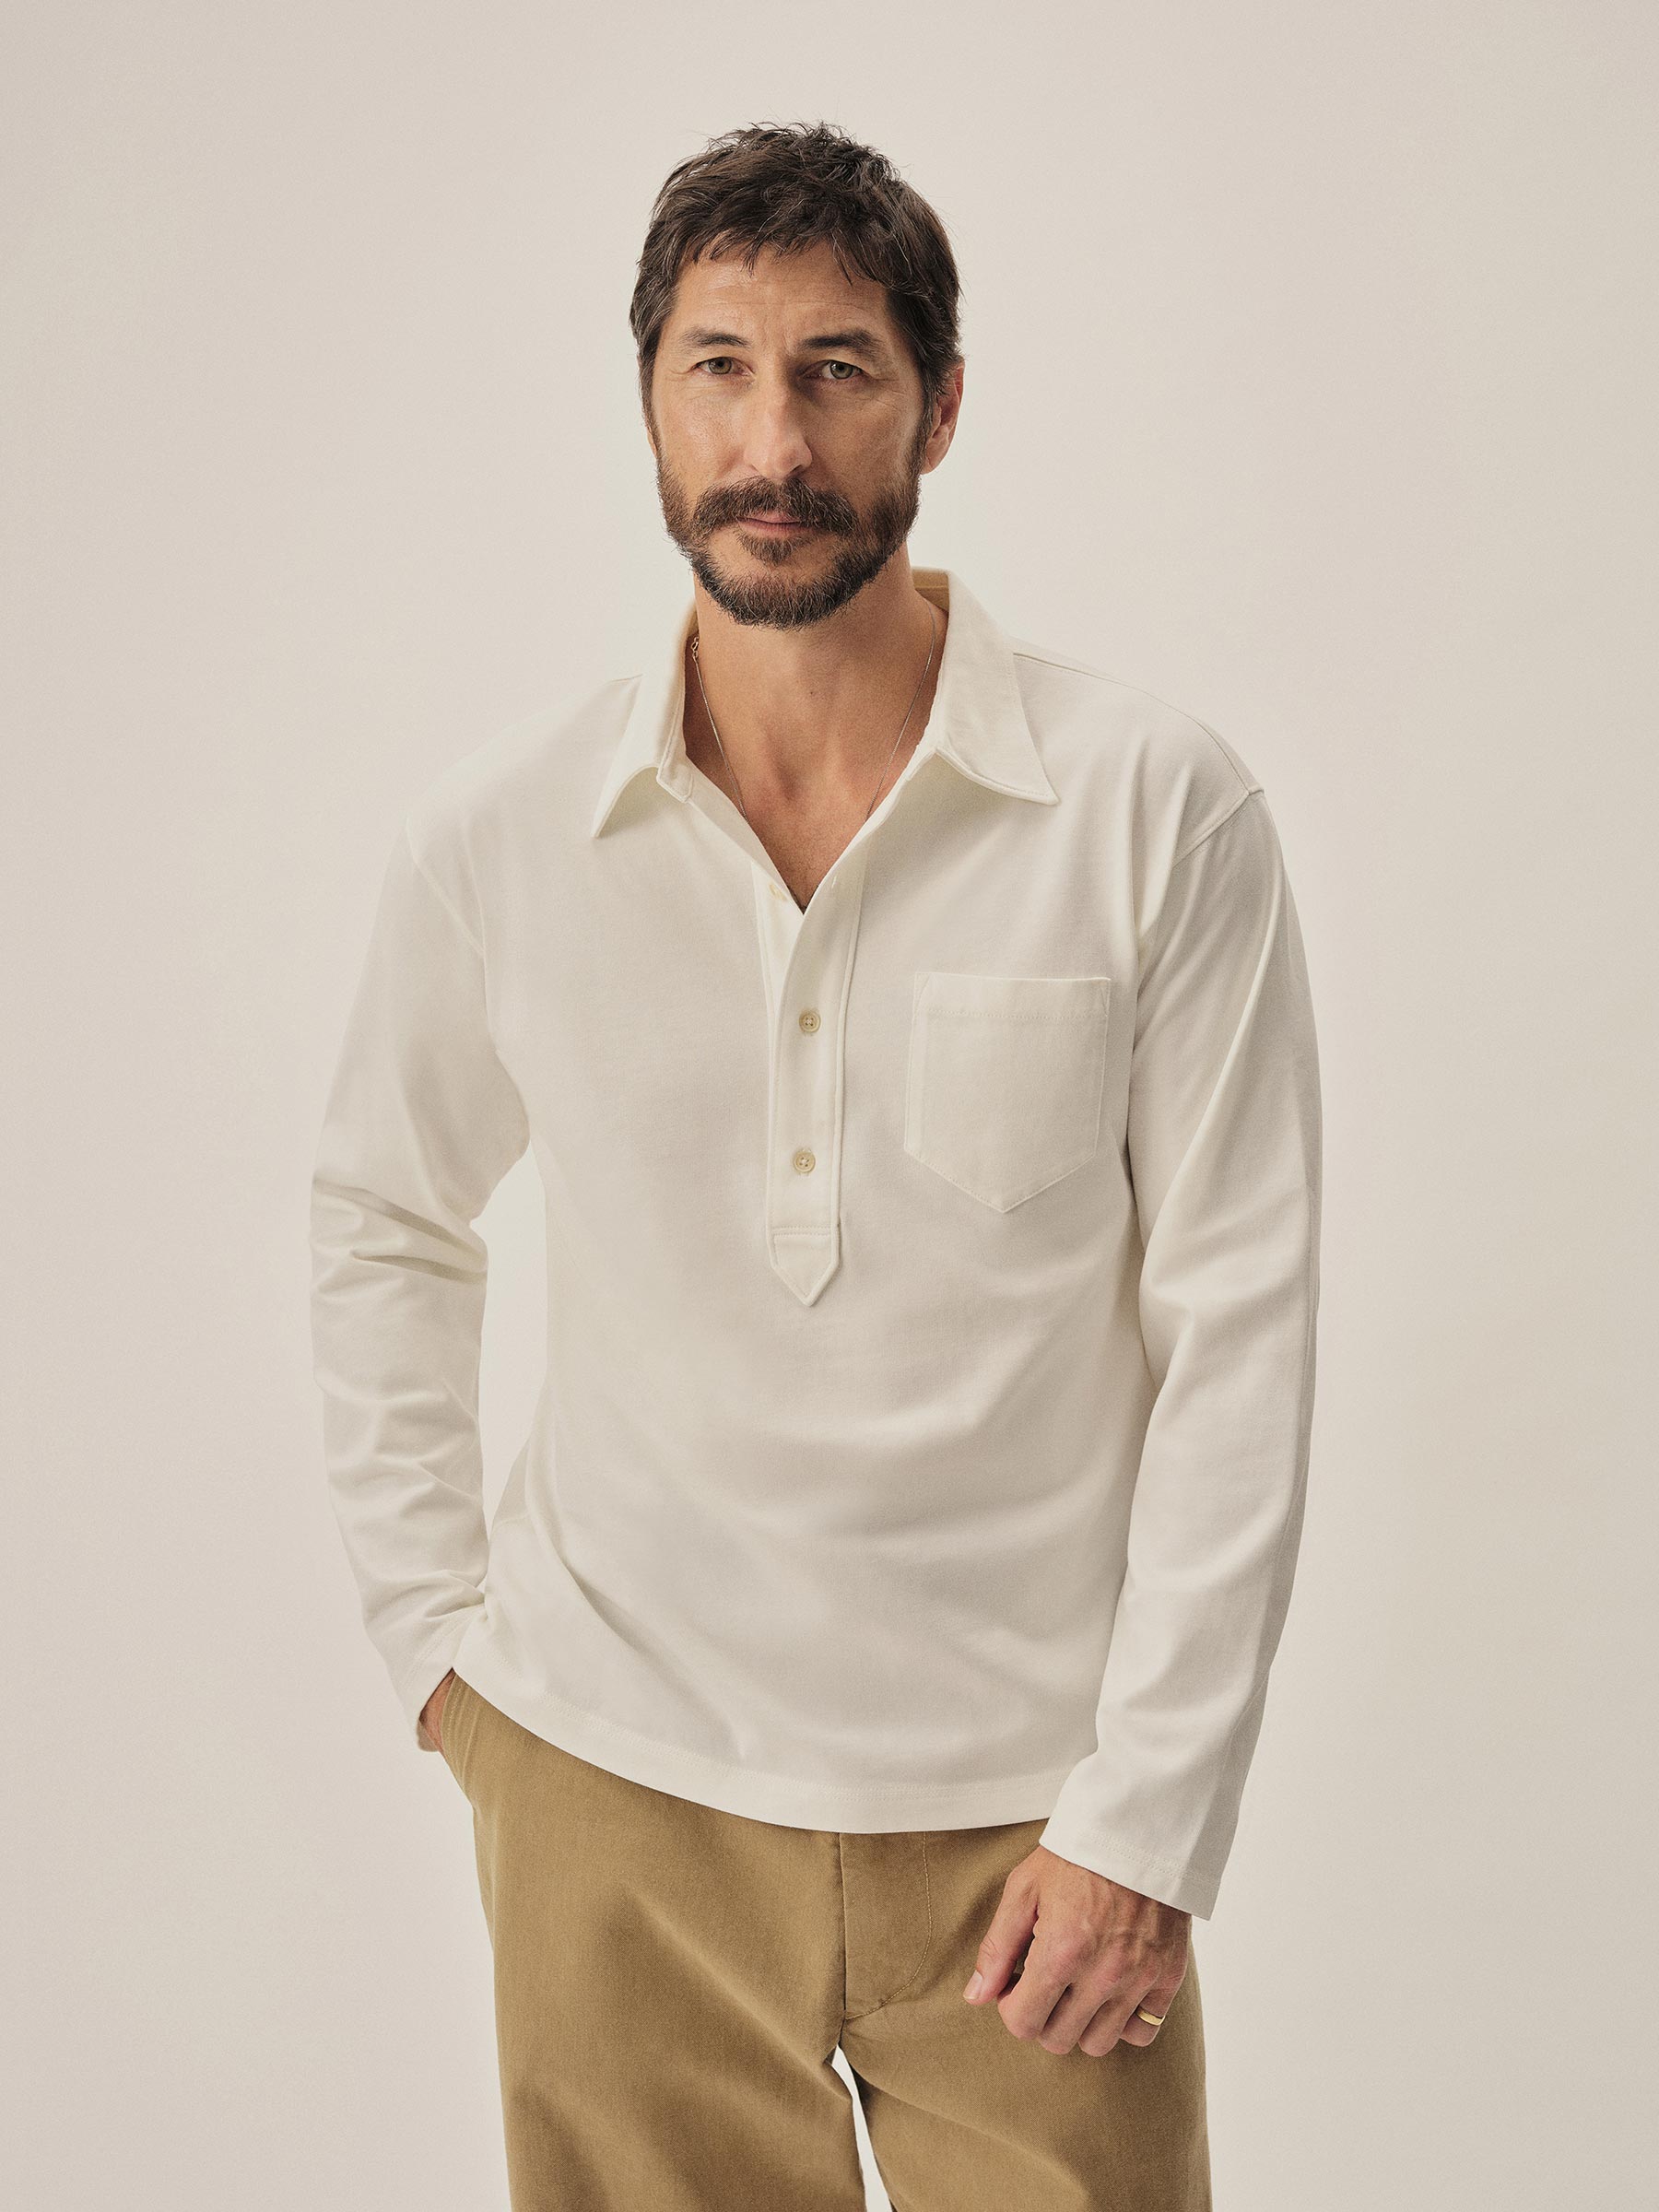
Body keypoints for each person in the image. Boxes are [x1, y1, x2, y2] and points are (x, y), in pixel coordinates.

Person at [308, 119, 1323, 2212]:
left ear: (938, 408)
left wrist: (1150, 1816)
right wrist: (440, 1646)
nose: (772, 444)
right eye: (721, 368)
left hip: (1038, 1838)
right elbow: (385, 1216)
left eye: (838, 371)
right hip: (615, 1797)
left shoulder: (1155, 811)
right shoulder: (501, 840)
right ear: (650, 403)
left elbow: (1241, 1327)